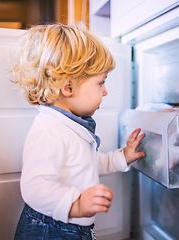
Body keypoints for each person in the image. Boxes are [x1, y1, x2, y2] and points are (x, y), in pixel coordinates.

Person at [12, 24, 145, 240]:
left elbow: (85, 164)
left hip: (70, 226)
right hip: (51, 229)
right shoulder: (49, 129)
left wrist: (122, 157)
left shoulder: (70, 125)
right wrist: (76, 203)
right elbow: (34, 187)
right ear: (68, 88)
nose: (105, 91)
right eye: (100, 83)